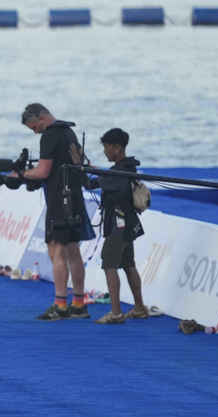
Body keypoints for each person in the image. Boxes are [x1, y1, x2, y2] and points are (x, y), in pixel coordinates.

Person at [15, 103, 95, 321]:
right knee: (73, 251)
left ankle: (60, 304)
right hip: (75, 197)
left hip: (60, 200)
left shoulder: (49, 136)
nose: (35, 132)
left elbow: (43, 171)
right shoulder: (68, 131)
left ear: (41, 118)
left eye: (34, 127)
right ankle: (78, 304)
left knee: (57, 250)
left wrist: (19, 174)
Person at [90, 128, 149, 324]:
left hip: (119, 224)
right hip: (127, 224)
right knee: (128, 264)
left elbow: (96, 184)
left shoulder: (120, 172)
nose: (105, 151)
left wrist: (81, 171)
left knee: (109, 265)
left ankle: (116, 313)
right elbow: (100, 181)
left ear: (117, 147)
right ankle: (139, 308)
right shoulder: (126, 168)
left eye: (107, 147)